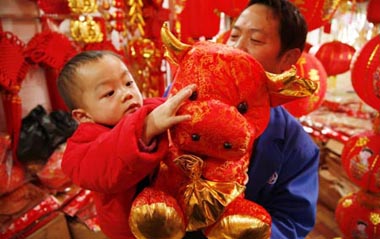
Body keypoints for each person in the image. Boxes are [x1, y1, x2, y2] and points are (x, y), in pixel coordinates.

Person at [57, 50, 196, 239]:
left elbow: (177, 107)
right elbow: (104, 166)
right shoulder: (82, 147)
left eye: (129, 83)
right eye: (109, 93)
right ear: (83, 116)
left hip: (178, 214)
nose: (127, 94)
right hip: (133, 231)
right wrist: (147, 127)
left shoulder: (150, 108)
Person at [225, 0, 320, 238]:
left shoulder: (297, 146)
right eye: (234, 35)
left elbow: (292, 223)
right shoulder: (184, 97)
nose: (237, 48)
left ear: (288, 59)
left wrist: (244, 231)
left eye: (255, 40)